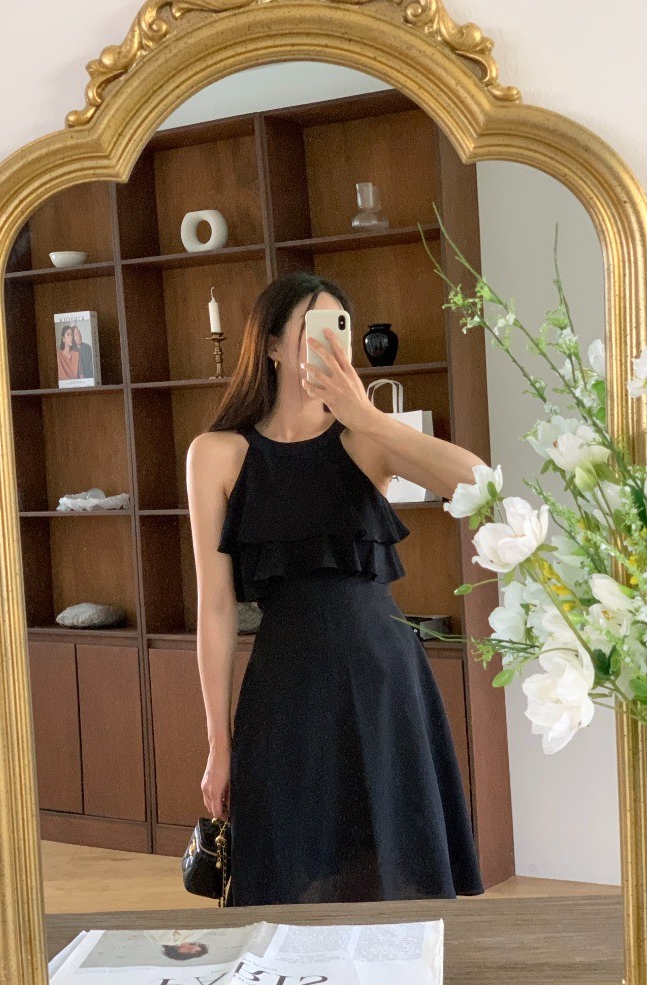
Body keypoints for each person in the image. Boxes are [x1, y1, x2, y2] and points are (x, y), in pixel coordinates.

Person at [186, 271, 487, 906]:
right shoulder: (216, 454)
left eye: (339, 330)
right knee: (287, 871)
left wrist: (368, 417)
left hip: (383, 680)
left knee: (391, 869)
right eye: (313, 330)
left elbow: (478, 484)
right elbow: (215, 608)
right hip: (284, 685)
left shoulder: (365, 441)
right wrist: (218, 744)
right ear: (272, 344)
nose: (330, 345)